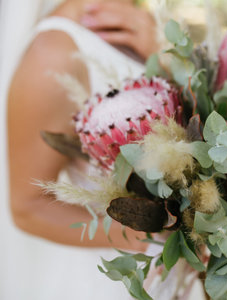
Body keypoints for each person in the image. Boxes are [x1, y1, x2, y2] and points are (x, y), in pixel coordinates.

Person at [4, 0, 163, 299]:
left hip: (175, 274)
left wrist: (167, 55)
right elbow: (27, 207)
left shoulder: (142, 22)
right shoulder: (53, 52)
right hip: (116, 277)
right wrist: (152, 236)